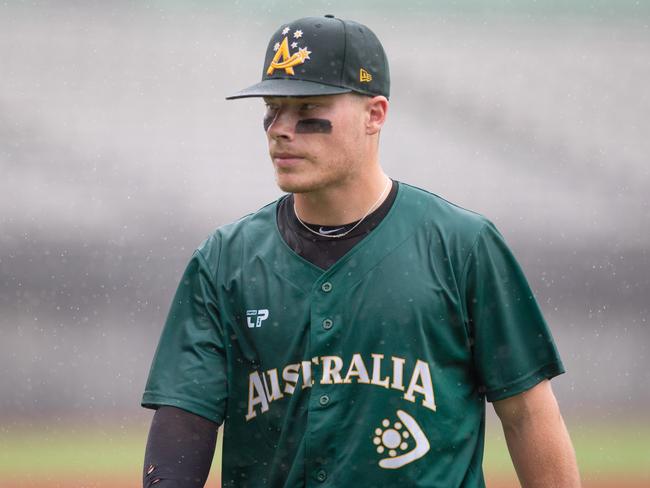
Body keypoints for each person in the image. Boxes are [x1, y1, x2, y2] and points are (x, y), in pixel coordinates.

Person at [141, 15, 581, 488]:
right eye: (272, 108)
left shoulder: (462, 245)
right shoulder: (225, 260)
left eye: (308, 106)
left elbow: (527, 415)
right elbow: (182, 425)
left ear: (375, 115)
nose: (280, 129)